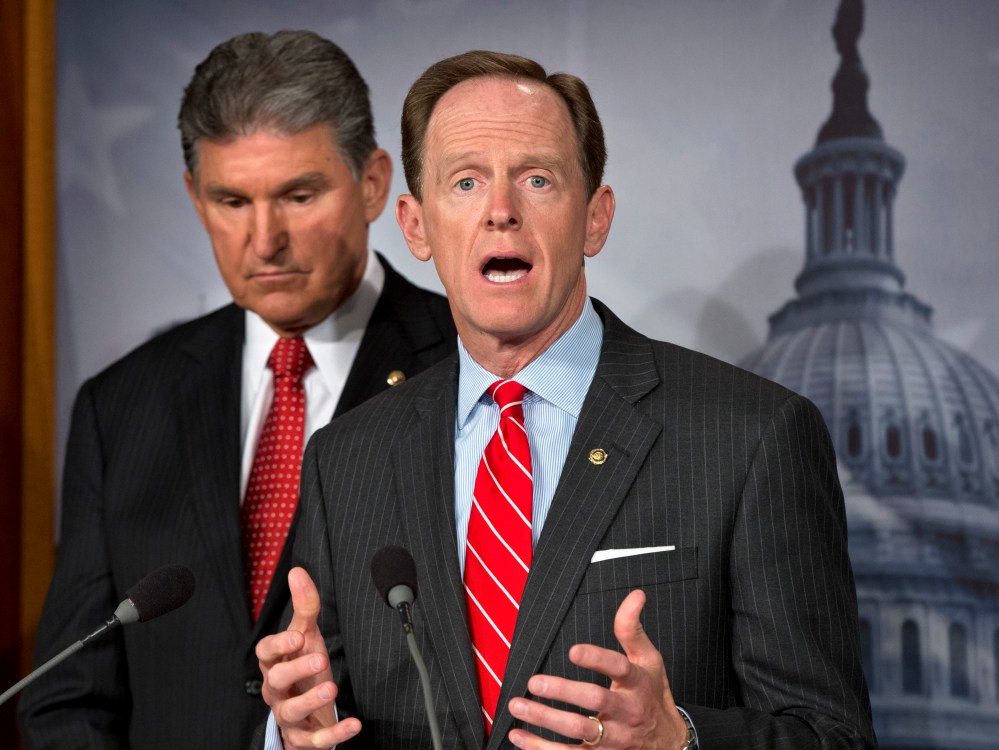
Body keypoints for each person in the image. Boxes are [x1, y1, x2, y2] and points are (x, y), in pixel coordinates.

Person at [255, 50, 876, 750]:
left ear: (594, 219)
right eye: (465, 182)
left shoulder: (752, 436)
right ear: (416, 226)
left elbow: (834, 737)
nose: (500, 212)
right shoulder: (346, 461)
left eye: (537, 179)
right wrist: (292, 734)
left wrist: (678, 740)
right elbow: (321, 712)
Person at [18, 31, 456, 750]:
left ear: (374, 183)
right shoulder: (121, 405)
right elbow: (68, 699)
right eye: (231, 200)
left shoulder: (467, 372)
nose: (264, 239)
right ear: (195, 198)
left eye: (298, 195)